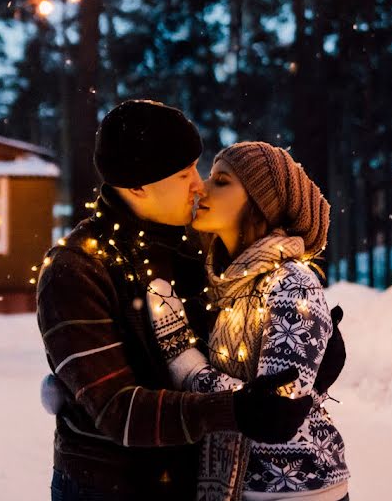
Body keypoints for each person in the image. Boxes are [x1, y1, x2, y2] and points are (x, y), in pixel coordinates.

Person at [36, 101, 315, 501]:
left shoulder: (196, 245)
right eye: (184, 174)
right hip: (109, 486)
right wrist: (232, 411)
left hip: (196, 483)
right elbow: (119, 410)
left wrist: (307, 349)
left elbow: (239, 341)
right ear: (137, 185)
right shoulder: (75, 267)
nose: (199, 184)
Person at [149, 141, 350, 500]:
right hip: (242, 487)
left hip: (297, 488)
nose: (201, 188)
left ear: (260, 203)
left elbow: (276, 411)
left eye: (222, 181)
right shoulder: (225, 286)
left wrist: (185, 363)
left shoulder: (292, 283)